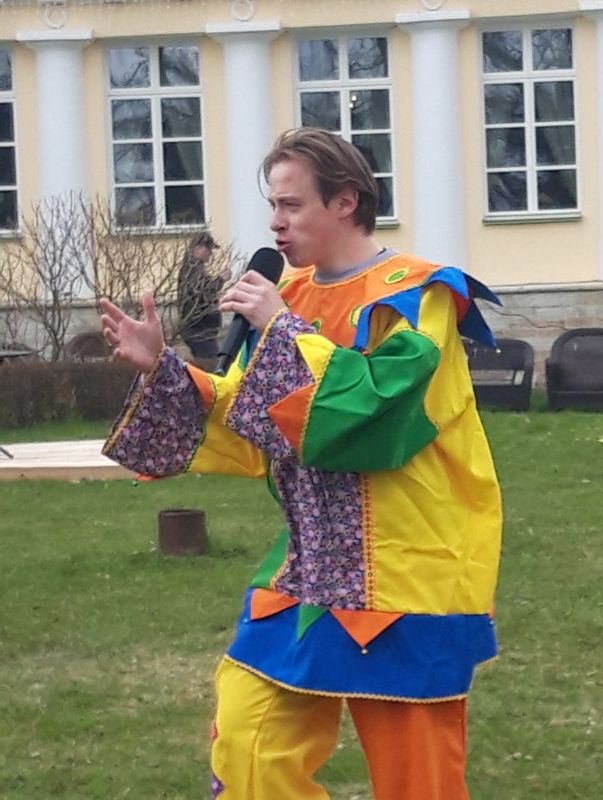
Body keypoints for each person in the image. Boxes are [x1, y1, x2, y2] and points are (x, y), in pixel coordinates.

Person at [99, 127, 503, 800]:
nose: (275, 223)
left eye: (291, 205)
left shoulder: (418, 295)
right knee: (248, 743)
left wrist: (283, 327)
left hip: (409, 574)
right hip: (307, 571)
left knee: (418, 783)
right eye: (272, 205)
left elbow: (377, 416)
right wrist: (164, 368)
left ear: (345, 202)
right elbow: (253, 418)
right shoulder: (290, 296)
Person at [177, 230, 225, 361]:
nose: (210, 253)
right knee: (212, 362)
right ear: (199, 247)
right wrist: (220, 280)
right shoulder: (191, 269)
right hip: (198, 330)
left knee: (209, 361)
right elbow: (201, 291)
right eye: (209, 249)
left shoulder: (194, 268)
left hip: (202, 330)